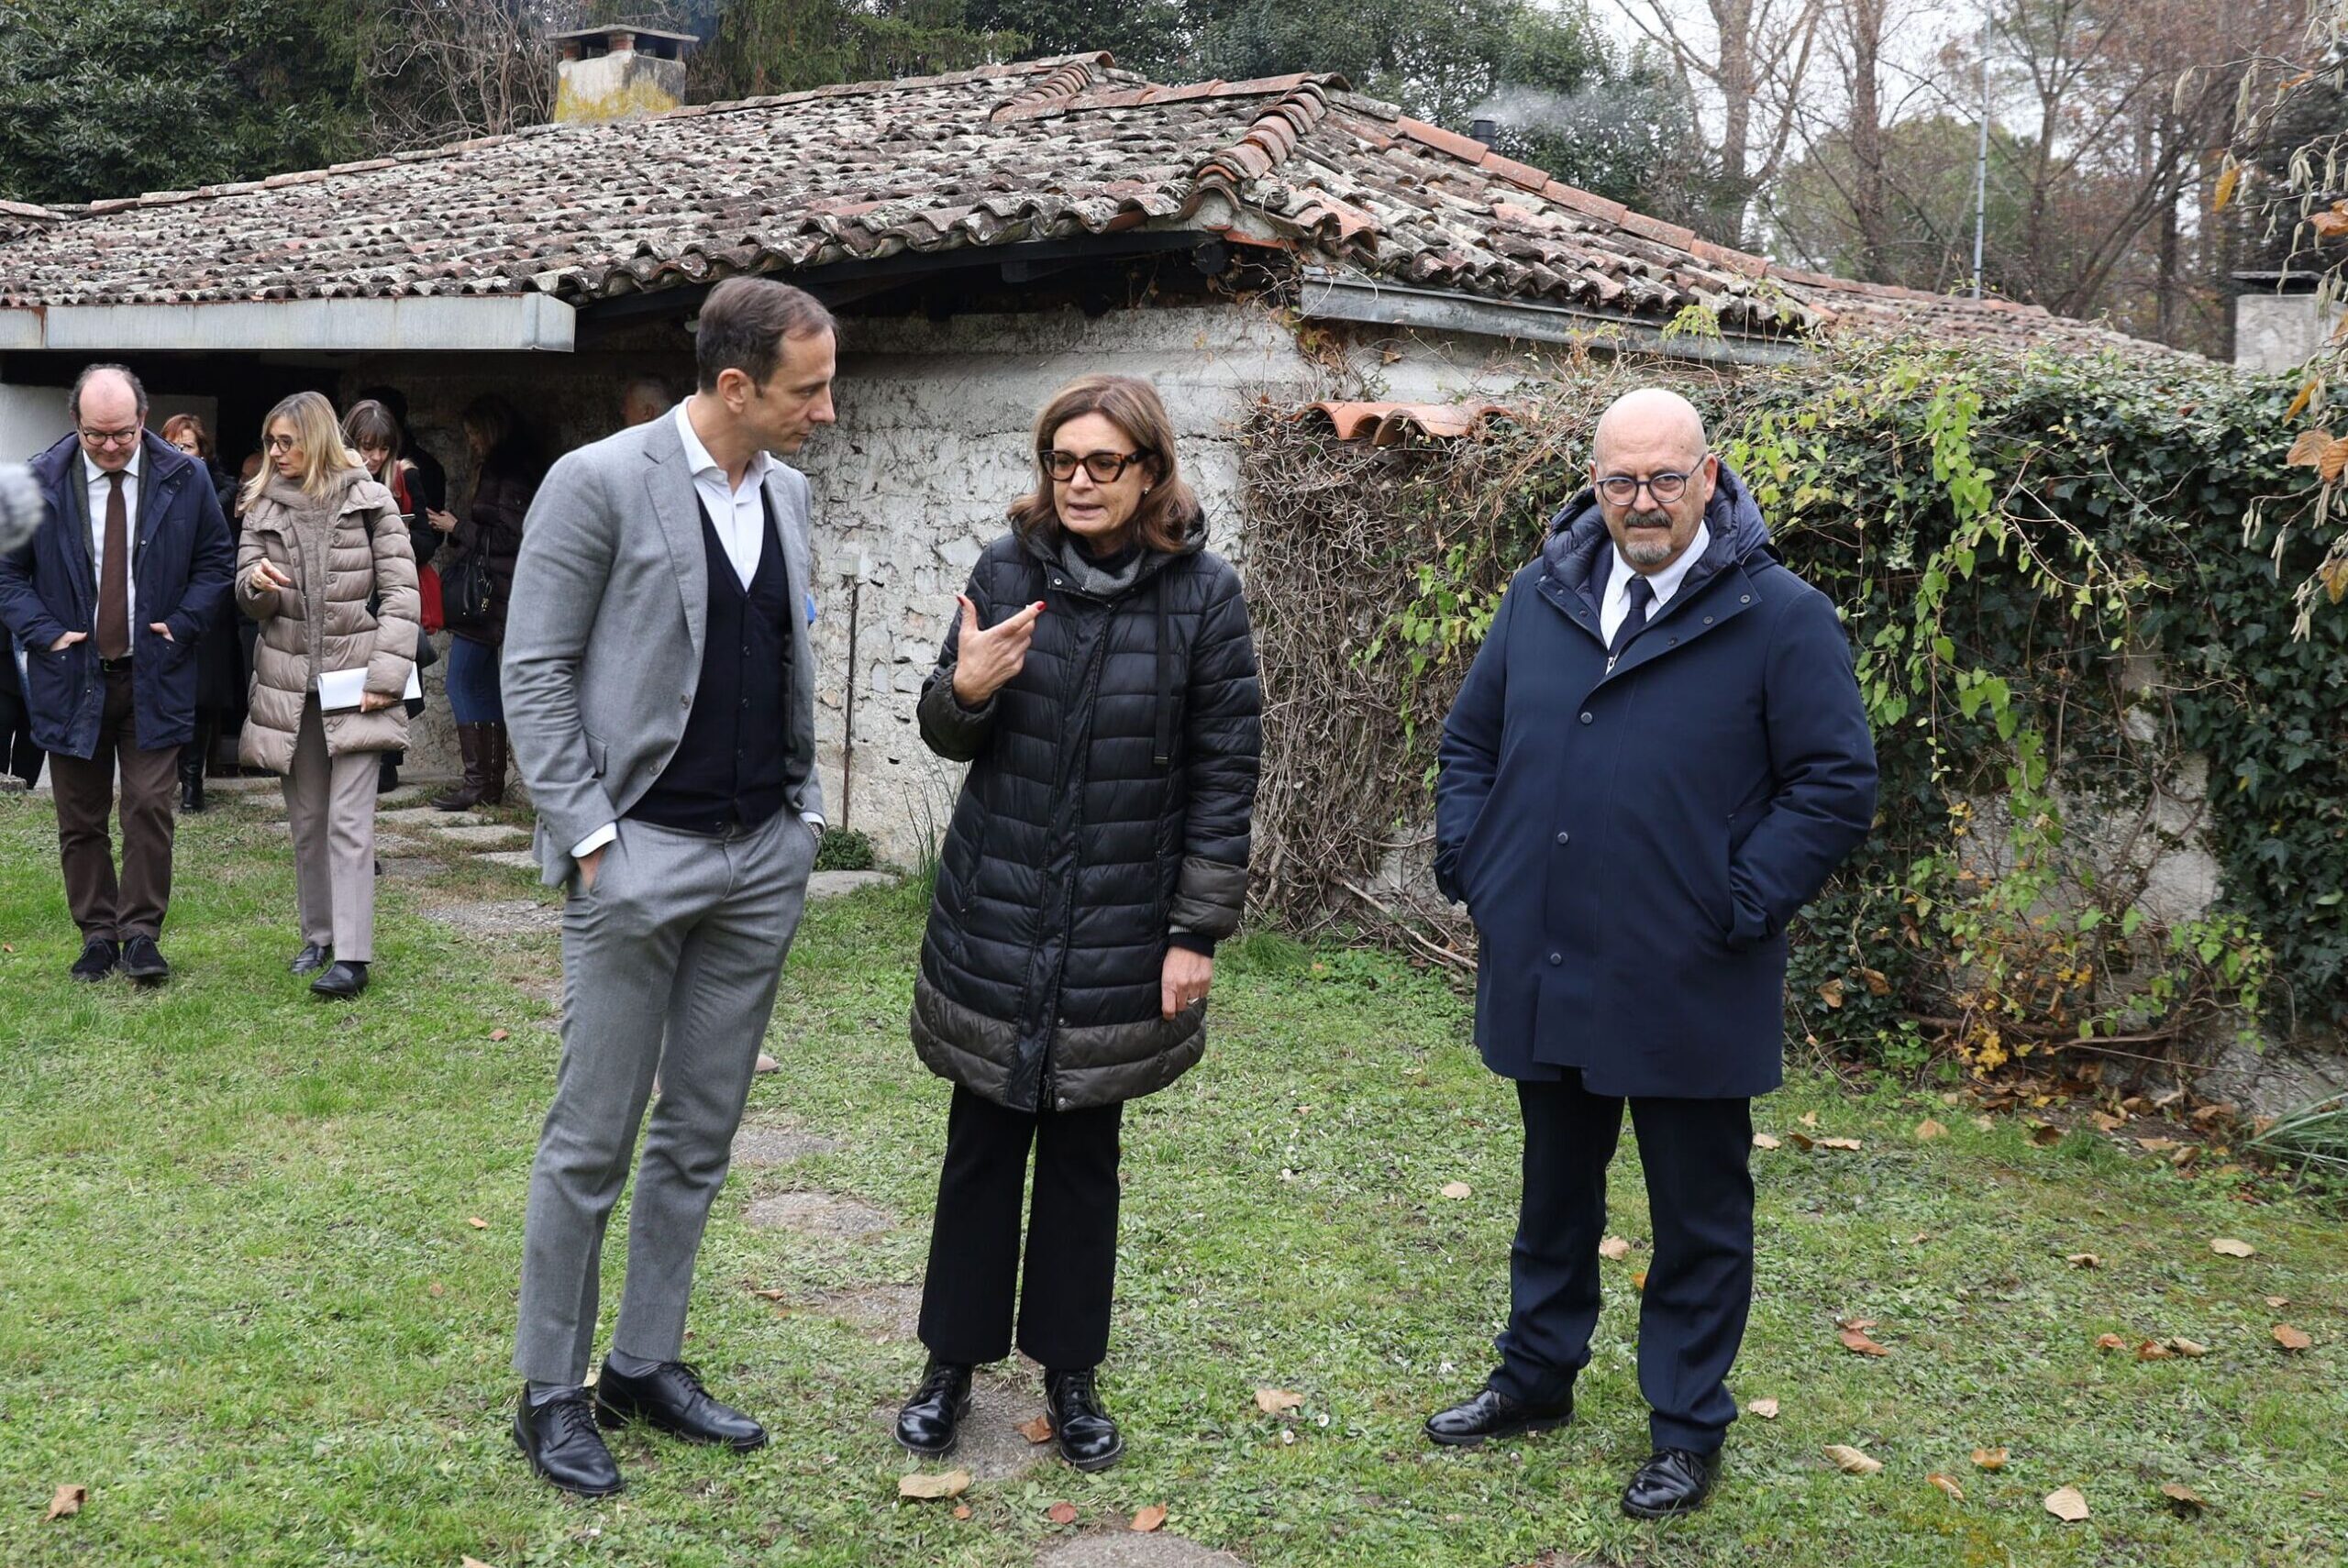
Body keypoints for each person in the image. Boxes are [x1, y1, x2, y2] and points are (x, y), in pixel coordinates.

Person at [1422, 388, 1877, 1518]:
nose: (1642, 502)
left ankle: (1685, 1426)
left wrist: (1738, 902)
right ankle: (1533, 1382)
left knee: (1699, 1217)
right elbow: (1471, 740)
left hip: (1691, 972)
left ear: (1708, 479)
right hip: (1549, 956)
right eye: (1620, 480)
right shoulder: (1543, 596)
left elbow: (1834, 783)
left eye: (1665, 480)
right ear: (1594, 483)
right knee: (1552, 1198)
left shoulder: (1779, 615)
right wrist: (1477, 863)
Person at [501, 277, 836, 1497]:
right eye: (809, 389)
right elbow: (533, 671)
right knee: (591, 1141)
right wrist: (593, 841)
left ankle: (643, 1360)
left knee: (698, 1134)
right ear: (735, 385)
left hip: (760, 860)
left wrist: (801, 822)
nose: (829, 411)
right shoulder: (598, 481)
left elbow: (784, 652)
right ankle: (549, 1391)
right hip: (636, 858)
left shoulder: (789, 491)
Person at [892, 375, 1262, 1474]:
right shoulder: (1005, 572)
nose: (1082, 482)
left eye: (1105, 463)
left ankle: (1071, 1372)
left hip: (1122, 921)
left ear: (1150, 470)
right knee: (980, 1147)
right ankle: (948, 1368)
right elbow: (949, 730)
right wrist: (963, 686)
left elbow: (1223, 774)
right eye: (1064, 462)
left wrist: (1195, 932)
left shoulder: (1204, 596)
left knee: (1083, 1155)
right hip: (997, 911)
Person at [0, 365, 233, 984]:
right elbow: (6, 572)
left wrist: (182, 624)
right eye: (96, 435)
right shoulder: (37, 480)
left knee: (150, 807)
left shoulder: (185, 478)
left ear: (143, 420)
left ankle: (141, 935)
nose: (109, 446)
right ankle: (97, 935)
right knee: (79, 816)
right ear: (75, 424)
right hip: (70, 674)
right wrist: (45, 630)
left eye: (122, 434)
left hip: (155, 670)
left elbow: (216, 560)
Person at [234, 392, 420, 999]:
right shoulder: (259, 506)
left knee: (349, 821)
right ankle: (317, 936)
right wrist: (257, 585)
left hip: (360, 685)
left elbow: (401, 595)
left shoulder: (371, 499)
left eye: (287, 441)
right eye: (271, 442)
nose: (276, 453)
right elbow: (245, 594)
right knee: (309, 821)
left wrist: (386, 679)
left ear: (315, 440)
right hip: (292, 689)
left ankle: (354, 955)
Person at [427, 394, 539, 811]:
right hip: (497, 589)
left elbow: (515, 535)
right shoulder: (511, 467)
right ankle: (487, 783)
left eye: (474, 433)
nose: (471, 441)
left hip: (492, 592)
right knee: (483, 683)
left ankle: (479, 782)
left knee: (461, 680)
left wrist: (459, 528)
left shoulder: (508, 470)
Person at [343, 399, 445, 795]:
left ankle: (387, 761)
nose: (374, 457)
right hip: (347, 601)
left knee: (392, 683)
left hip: (387, 600)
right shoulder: (331, 479)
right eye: (367, 447)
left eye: (383, 449)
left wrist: (389, 541)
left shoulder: (404, 478)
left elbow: (426, 541)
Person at [160, 414, 244, 812]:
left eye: (187, 446)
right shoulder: (153, 488)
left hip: (208, 604)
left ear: (203, 452)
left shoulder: (224, 494)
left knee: (203, 695)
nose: (180, 454)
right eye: (173, 445)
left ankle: (193, 783)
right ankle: (168, 778)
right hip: (165, 602)